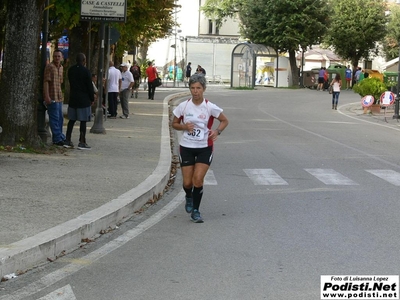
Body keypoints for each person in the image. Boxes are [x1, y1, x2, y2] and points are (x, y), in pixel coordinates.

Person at [171, 74, 229, 223]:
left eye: (198, 88)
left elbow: (224, 120)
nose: (195, 91)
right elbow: (174, 124)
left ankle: (196, 211)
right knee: (187, 183)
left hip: (204, 147)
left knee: (198, 180)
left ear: (203, 89)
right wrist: (184, 126)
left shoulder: (210, 107)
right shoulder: (183, 106)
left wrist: (217, 131)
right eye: (192, 88)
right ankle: (188, 196)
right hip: (186, 147)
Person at [65, 53, 94, 150]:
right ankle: (82, 141)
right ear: (84, 60)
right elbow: (89, 86)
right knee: (83, 121)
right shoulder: (86, 72)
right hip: (84, 99)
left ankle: (67, 139)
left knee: (71, 120)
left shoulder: (71, 70)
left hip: (73, 98)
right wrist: (92, 98)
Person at [43, 49, 69, 147]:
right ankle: (57, 138)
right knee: (54, 118)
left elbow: (60, 82)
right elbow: (46, 81)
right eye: (55, 56)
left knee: (60, 118)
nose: (57, 58)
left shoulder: (61, 68)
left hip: (58, 96)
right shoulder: (50, 67)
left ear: (62, 57)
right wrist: (47, 96)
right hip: (52, 96)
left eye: (59, 56)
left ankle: (60, 136)